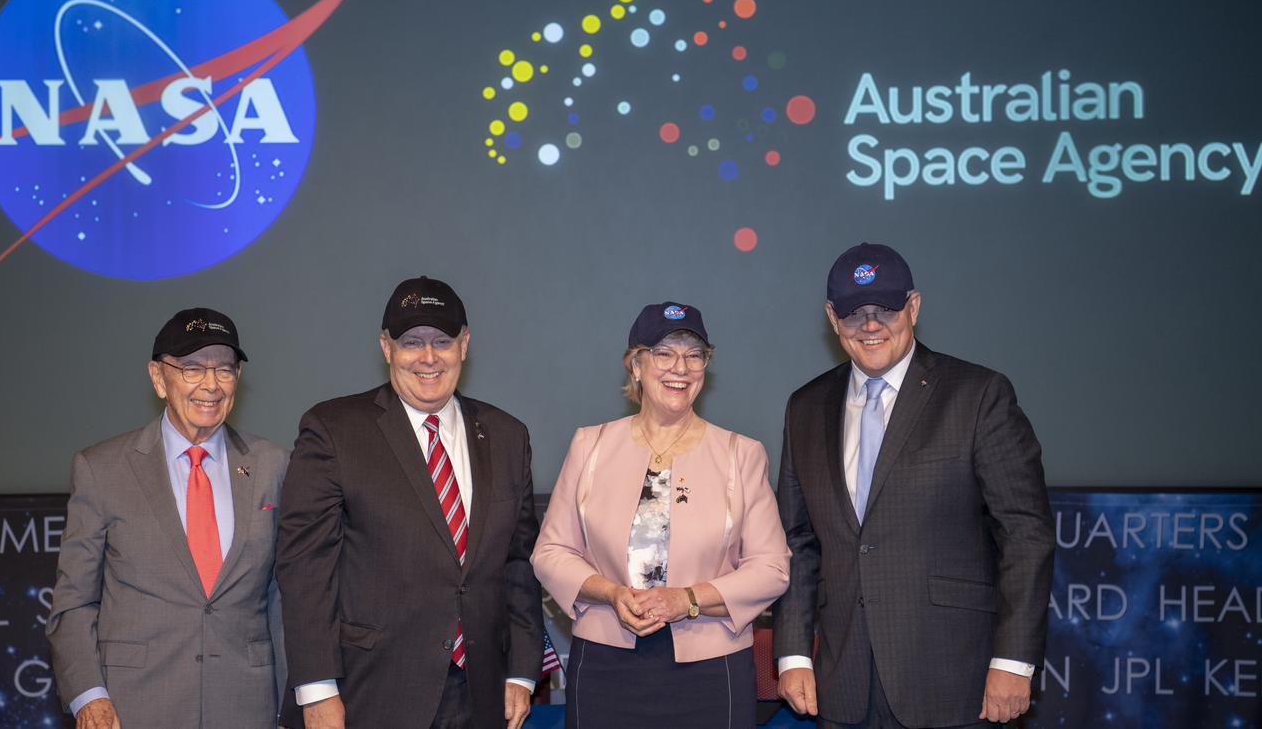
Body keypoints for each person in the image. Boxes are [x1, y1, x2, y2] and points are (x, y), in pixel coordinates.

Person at [772, 243, 1055, 728]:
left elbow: (1025, 535)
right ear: (832, 318)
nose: (871, 324)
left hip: (953, 680)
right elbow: (796, 541)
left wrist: (1012, 662)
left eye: (886, 308)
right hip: (842, 685)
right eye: (854, 312)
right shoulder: (806, 406)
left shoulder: (978, 394)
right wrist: (794, 654)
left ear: (914, 307)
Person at [275, 276, 544, 729]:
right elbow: (305, 568)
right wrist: (317, 688)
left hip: (481, 693)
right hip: (368, 693)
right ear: (386, 347)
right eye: (411, 342)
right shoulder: (334, 429)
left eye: (442, 340)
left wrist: (520, 671)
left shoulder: (507, 436)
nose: (428, 357)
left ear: (465, 344)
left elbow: (518, 563)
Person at [533, 301, 790, 728]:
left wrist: (687, 600)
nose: (681, 367)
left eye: (694, 355)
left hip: (712, 668)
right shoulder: (589, 446)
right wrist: (611, 593)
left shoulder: (740, 454)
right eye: (664, 353)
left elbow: (772, 568)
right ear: (636, 365)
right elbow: (551, 552)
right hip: (604, 665)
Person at [47, 308, 289, 728]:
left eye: (225, 370)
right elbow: (74, 602)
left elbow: (285, 599)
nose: (210, 385)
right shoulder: (101, 469)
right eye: (192, 368)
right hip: (132, 709)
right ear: (158, 378)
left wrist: (297, 704)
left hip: (247, 707)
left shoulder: (274, 465)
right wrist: (89, 697)